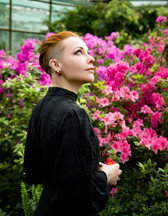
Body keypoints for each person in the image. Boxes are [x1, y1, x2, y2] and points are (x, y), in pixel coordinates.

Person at [24, 31, 122, 216]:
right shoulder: (73, 114)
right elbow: (78, 198)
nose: (91, 58)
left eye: (88, 52)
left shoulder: (41, 108)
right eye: (79, 52)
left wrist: (86, 166)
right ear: (56, 64)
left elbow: (34, 173)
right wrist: (106, 176)